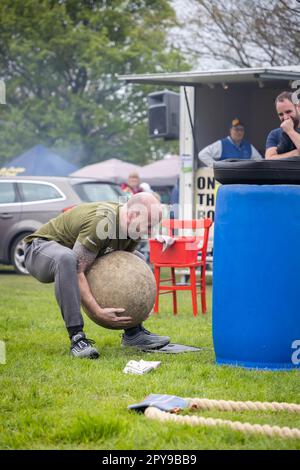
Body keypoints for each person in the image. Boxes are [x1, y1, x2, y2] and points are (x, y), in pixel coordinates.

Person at [23, 193, 170, 359]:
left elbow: (126, 266)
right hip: (39, 250)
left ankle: (134, 333)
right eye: (149, 226)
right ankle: (77, 338)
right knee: (67, 260)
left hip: (71, 256)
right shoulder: (102, 222)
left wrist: (144, 302)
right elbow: (78, 270)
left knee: (138, 258)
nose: (150, 232)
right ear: (132, 215)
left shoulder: (132, 229)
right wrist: (97, 311)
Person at [198, 118, 262, 167]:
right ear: (231, 130)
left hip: (243, 181)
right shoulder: (222, 144)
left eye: (241, 130)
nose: (239, 132)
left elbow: (260, 161)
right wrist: (216, 167)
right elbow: (202, 154)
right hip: (226, 181)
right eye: (236, 129)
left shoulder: (248, 146)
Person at [265, 91, 300, 159]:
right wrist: (295, 153)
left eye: (288, 112)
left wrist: (290, 131)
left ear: (298, 107)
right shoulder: (274, 134)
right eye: (281, 114)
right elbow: (269, 159)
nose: (285, 117)